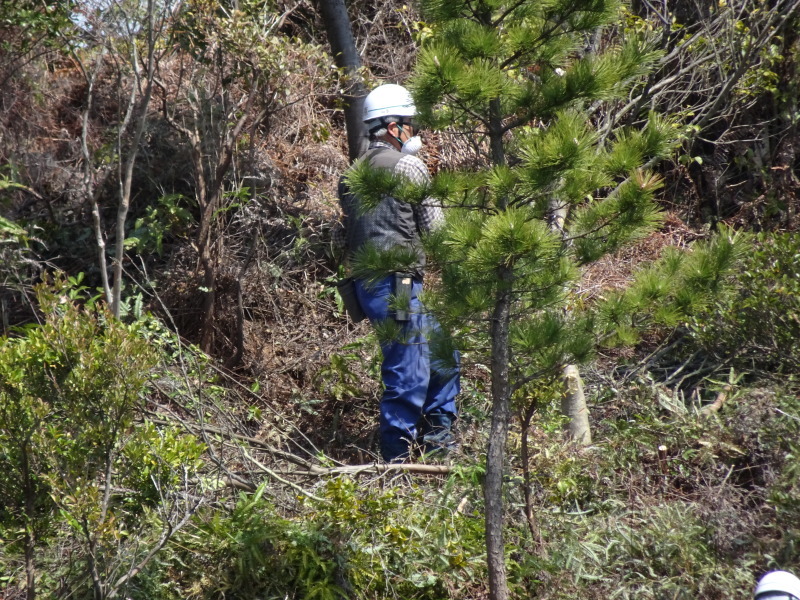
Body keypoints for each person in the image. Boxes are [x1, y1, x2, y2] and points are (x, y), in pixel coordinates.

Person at [337, 83, 460, 462]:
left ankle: (438, 447)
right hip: (400, 285)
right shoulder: (409, 166)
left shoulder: (350, 175)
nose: (414, 131)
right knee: (408, 372)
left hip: (366, 287)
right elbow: (439, 232)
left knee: (442, 356)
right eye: (409, 123)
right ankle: (397, 467)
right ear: (393, 128)